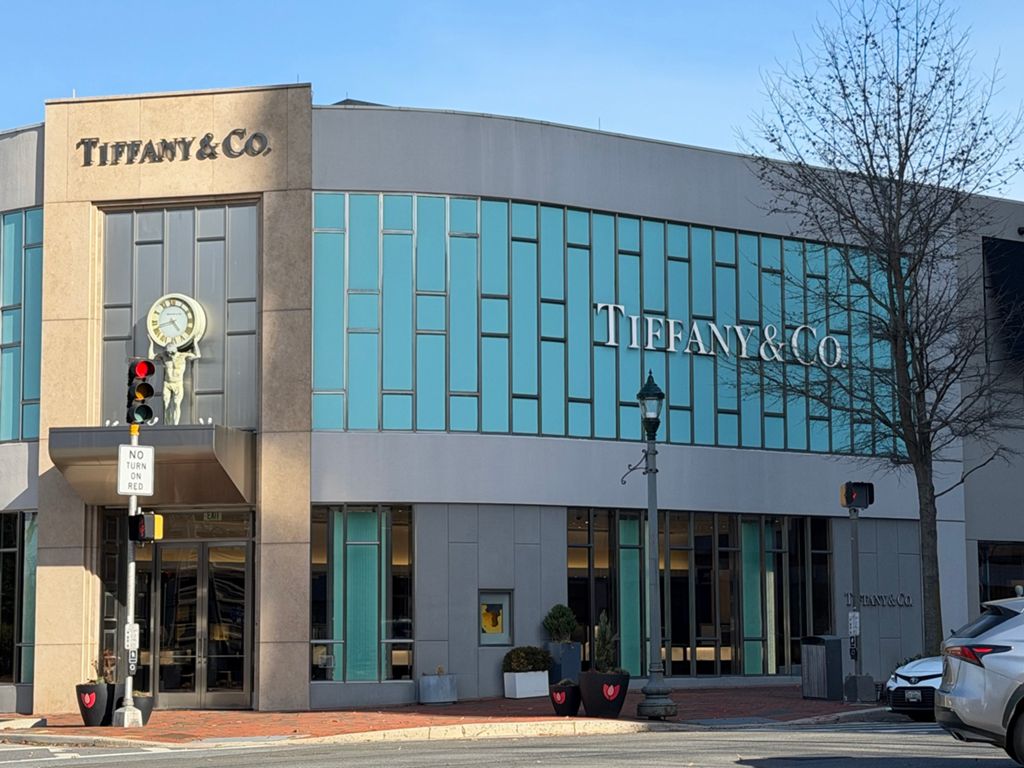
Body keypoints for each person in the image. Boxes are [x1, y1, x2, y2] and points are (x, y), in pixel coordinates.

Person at [159, 340, 200, 425]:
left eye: (172, 353)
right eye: (168, 353)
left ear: (175, 350)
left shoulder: (182, 356)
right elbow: (151, 356)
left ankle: (175, 424)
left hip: (178, 383)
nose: (170, 355)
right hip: (167, 383)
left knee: (176, 403)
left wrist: (195, 343)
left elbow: (197, 355)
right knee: (166, 404)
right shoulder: (164, 356)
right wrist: (151, 343)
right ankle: (167, 424)